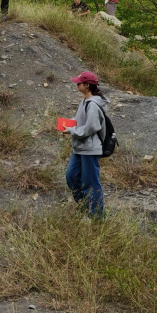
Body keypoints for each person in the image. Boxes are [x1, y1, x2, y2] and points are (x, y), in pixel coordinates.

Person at [60, 71, 107, 217]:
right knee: (71, 176)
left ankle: (96, 216)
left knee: (91, 183)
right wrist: (68, 124)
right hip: (80, 148)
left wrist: (72, 130)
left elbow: (90, 127)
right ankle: (85, 205)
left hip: (90, 149)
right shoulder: (84, 101)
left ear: (87, 85)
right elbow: (81, 120)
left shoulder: (93, 104)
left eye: (79, 83)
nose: (77, 84)